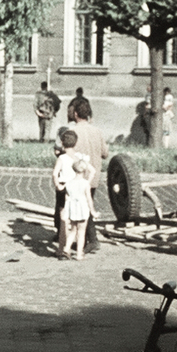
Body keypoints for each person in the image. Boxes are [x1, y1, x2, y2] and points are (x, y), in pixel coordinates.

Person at [68, 99, 107, 253]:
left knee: (81, 208)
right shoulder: (97, 131)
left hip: (78, 176)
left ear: (76, 114)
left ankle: (91, 240)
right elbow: (105, 153)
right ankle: (85, 239)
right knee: (87, 204)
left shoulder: (72, 132)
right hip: (93, 175)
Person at [54, 128, 90, 258]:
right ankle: (78, 249)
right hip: (77, 190)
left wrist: (57, 184)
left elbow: (54, 173)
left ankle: (62, 248)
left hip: (65, 188)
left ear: (62, 143)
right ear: (76, 143)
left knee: (64, 218)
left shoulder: (62, 158)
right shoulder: (79, 157)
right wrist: (86, 182)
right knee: (76, 220)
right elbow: (92, 170)